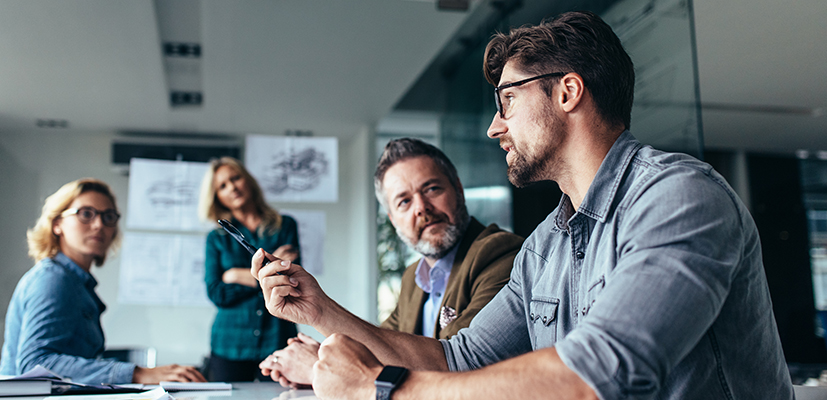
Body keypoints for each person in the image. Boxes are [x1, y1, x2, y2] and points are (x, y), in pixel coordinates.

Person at [251, 10, 794, 400]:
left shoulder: (679, 197)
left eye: (508, 100)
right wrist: (318, 310)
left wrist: (381, 389)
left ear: (567, 92)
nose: (494, 126)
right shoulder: (545, 247)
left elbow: (601, 376)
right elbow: (456, 360)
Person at [258, 138, 524, 387]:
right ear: (393, 218)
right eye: (404, 201)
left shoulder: (500, 254)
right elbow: (381, 348)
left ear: (458, 189)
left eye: (431, 189)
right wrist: (324, 349)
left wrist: (320, 366)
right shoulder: (413, 277)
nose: (421, 207)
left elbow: (455, 366)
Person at [0, 178, 205, 384]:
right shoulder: (53, 279)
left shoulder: (77, 283)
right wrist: (137, 373)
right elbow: (35, 364)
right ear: (57, 224)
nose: (99, 225)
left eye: (108, 217)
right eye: (86, 214)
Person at [199, 157, 300, 382]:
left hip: (277, 338)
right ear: (217, 197)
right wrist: (267, 275)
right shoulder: (216, 239)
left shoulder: (285, 226)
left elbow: (290, 281)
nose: (232, 187)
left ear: (248, 181)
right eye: (223, 186)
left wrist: (234, 275)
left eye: (235, 178)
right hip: (230, 343)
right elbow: (217, 292)